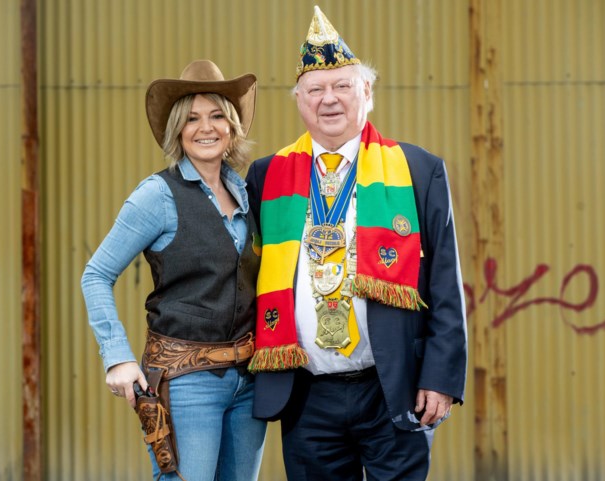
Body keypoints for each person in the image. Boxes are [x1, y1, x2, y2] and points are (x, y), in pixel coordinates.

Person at [245, 6, 467, 481]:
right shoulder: (267, 176)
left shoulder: (417, 169)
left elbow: (446, 281)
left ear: (367, 92)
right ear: (300, 101)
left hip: (393, 386)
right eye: (316, 90)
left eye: (343, 86)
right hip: (306, 393)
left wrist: (440, 378)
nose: (330, 100)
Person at [81, 59, 266, 481]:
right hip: (185, 381)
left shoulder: (245, 191)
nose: (207, 127)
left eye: (218, 115)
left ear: (232, 126)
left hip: (248, 379)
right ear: (178, 130)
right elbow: (96, 275)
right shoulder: (156, 196)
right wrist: (116, 358)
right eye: (193, 118)